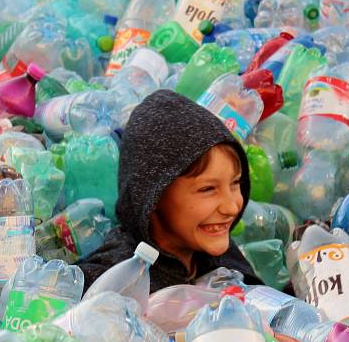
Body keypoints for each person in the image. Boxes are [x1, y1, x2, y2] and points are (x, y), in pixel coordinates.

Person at [79, 89, 262, 292]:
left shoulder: (220, 259)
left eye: (235, 183)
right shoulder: (114, 280)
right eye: (208, 189)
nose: (231, 207)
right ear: (152, 195)